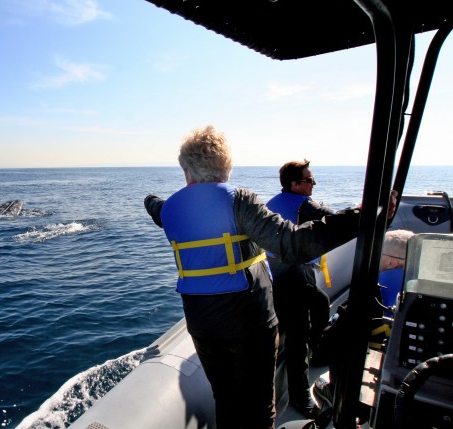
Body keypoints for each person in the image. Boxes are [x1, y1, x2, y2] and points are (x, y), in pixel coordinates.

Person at [143, 125, 395, 429]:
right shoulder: (240, 201)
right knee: (260, 409)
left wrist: (149, 199)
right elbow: (294, 245)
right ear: (226, 167)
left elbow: (154, 207)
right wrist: (363, 215)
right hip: (250, 325)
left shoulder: (169, 209)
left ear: (186, 171)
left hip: (202, 326)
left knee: (226, 400)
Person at [312, 229, 415, 410]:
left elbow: (330, 342)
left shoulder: (370, 289)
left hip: (376, 366)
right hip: (408, 371)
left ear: (391, 262)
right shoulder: (423, 288)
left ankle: (335, 392)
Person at [265, 159, 334, 418]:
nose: (313, 184)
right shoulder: (305, 205)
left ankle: (316, 351)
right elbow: (335, 219)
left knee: (318, 306)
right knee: (300, 334)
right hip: (294, 274)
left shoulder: (270, 203)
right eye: (309, 180)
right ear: (295, 184)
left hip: (272, 275)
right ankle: (301, 396)